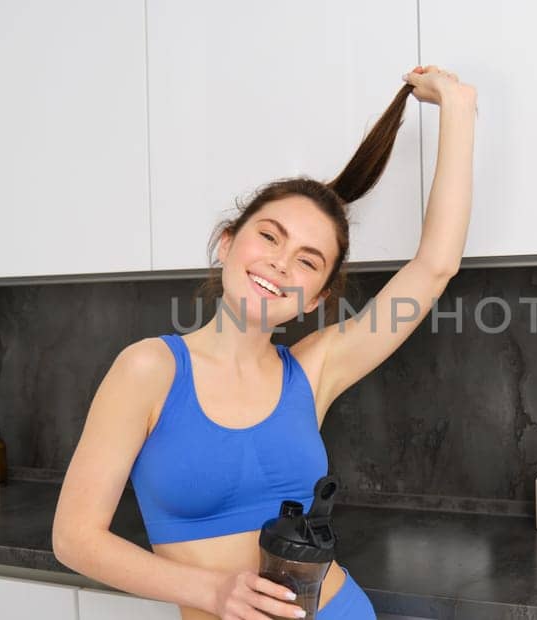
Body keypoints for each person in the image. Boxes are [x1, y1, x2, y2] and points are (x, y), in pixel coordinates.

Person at [52, 66, 476, 620]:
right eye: (269, 236)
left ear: (316, 299)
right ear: (227, 244)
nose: (280, 261)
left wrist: (458, 106)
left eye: (307, 260)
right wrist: (212, 592)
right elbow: (75, 539)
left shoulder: (314, 370)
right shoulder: (148, 369)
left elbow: (435, 266)